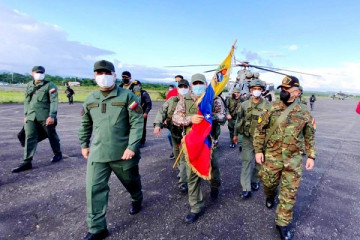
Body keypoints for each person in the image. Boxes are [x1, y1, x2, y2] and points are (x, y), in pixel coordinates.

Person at [78, 60, 144, 240]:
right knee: (93, 189)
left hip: (123, 153)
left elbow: (137, 122)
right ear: (94, 76)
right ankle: (97, 228)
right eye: (99, 73)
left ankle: (137, 198)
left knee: (131, 182)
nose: (103, 76)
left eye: (107, 73)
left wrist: (132, 146)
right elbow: (85, 123)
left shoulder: (128, 96)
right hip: (98, 153)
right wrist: (84, 144)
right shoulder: (90, 98)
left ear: (114, 75)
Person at [254, 75, 316, 240]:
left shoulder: (304, 112)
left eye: (287, 90)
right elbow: (260, 129)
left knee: (289, 193)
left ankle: (282, 222)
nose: (283, 91)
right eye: (282, 88)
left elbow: (309, 135)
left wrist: (311, 156)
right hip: (272, 157)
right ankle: (269, 195)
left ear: (296, 92)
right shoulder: (271, 107)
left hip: (293, 160)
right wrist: (258, 150)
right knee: (268, 183)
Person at [172, 73, 223, 224]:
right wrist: (190, 119)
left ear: (206, 84)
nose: (198, 85)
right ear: (191, 86)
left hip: (209, 141)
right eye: (195, 83)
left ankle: (215, 187)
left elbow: (222, 116)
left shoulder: (213, 98)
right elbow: (175, 118)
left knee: (213, 168)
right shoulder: (185, 99)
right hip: (191, 142)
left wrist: (209, 116)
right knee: (192, 174)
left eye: (201, 83)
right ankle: (196, 206)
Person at [12, 66, 62, 173]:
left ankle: (57, 153)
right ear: (32, 73)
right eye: (37, 72)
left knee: (51, 135)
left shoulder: (50, 85)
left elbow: (54, 101)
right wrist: (26, 114)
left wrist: (52, 115)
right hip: (31, 116)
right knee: (29, 137)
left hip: (45, 116)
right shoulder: (29, 85)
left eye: (41, 72)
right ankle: (27, 161)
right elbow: (27, 100)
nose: (39, 74)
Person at [234, 79, 270, 199]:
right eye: (255, 89)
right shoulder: (244, 105)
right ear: (250, 90)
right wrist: (235, 134)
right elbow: (238, 120)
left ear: (262, 91)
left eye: (259, 89)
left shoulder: (267, 106)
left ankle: (255, 180)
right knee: (246, 162)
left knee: (259, 163)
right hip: (247, 138)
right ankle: (246, 188)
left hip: (262, 140)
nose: (257, 91)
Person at [153, 79, 190, 193]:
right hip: (174, 133)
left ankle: (183, 181)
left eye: (185, 86)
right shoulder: (171, 100)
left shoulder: (192, 101)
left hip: (187, 134)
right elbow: (162, 111)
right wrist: (158, 124)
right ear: (178, 88)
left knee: (184, 157)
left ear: (189, 88)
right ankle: (182, 171)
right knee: (176, 153)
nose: (183, 88)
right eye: (181, 86)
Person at [129, 80, 152, 147]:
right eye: (134, 85)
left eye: (138, 85)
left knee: (142, 127)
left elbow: (149, 103)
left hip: (142, 113)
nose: (136, 87)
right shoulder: (131, 93)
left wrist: (146, 113)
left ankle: (142, 141)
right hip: (133, 113)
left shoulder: (144, 93)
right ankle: (134, 140)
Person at [165, 75, 183, 159]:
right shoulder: (171, 93)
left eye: (179, 81)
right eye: (176, 81)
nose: (177, 83)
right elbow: (166, 106)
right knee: (170, 135)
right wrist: (165, 118)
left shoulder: (187, 92)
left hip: (183, 119)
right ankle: (174, 149)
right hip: (172, 119)